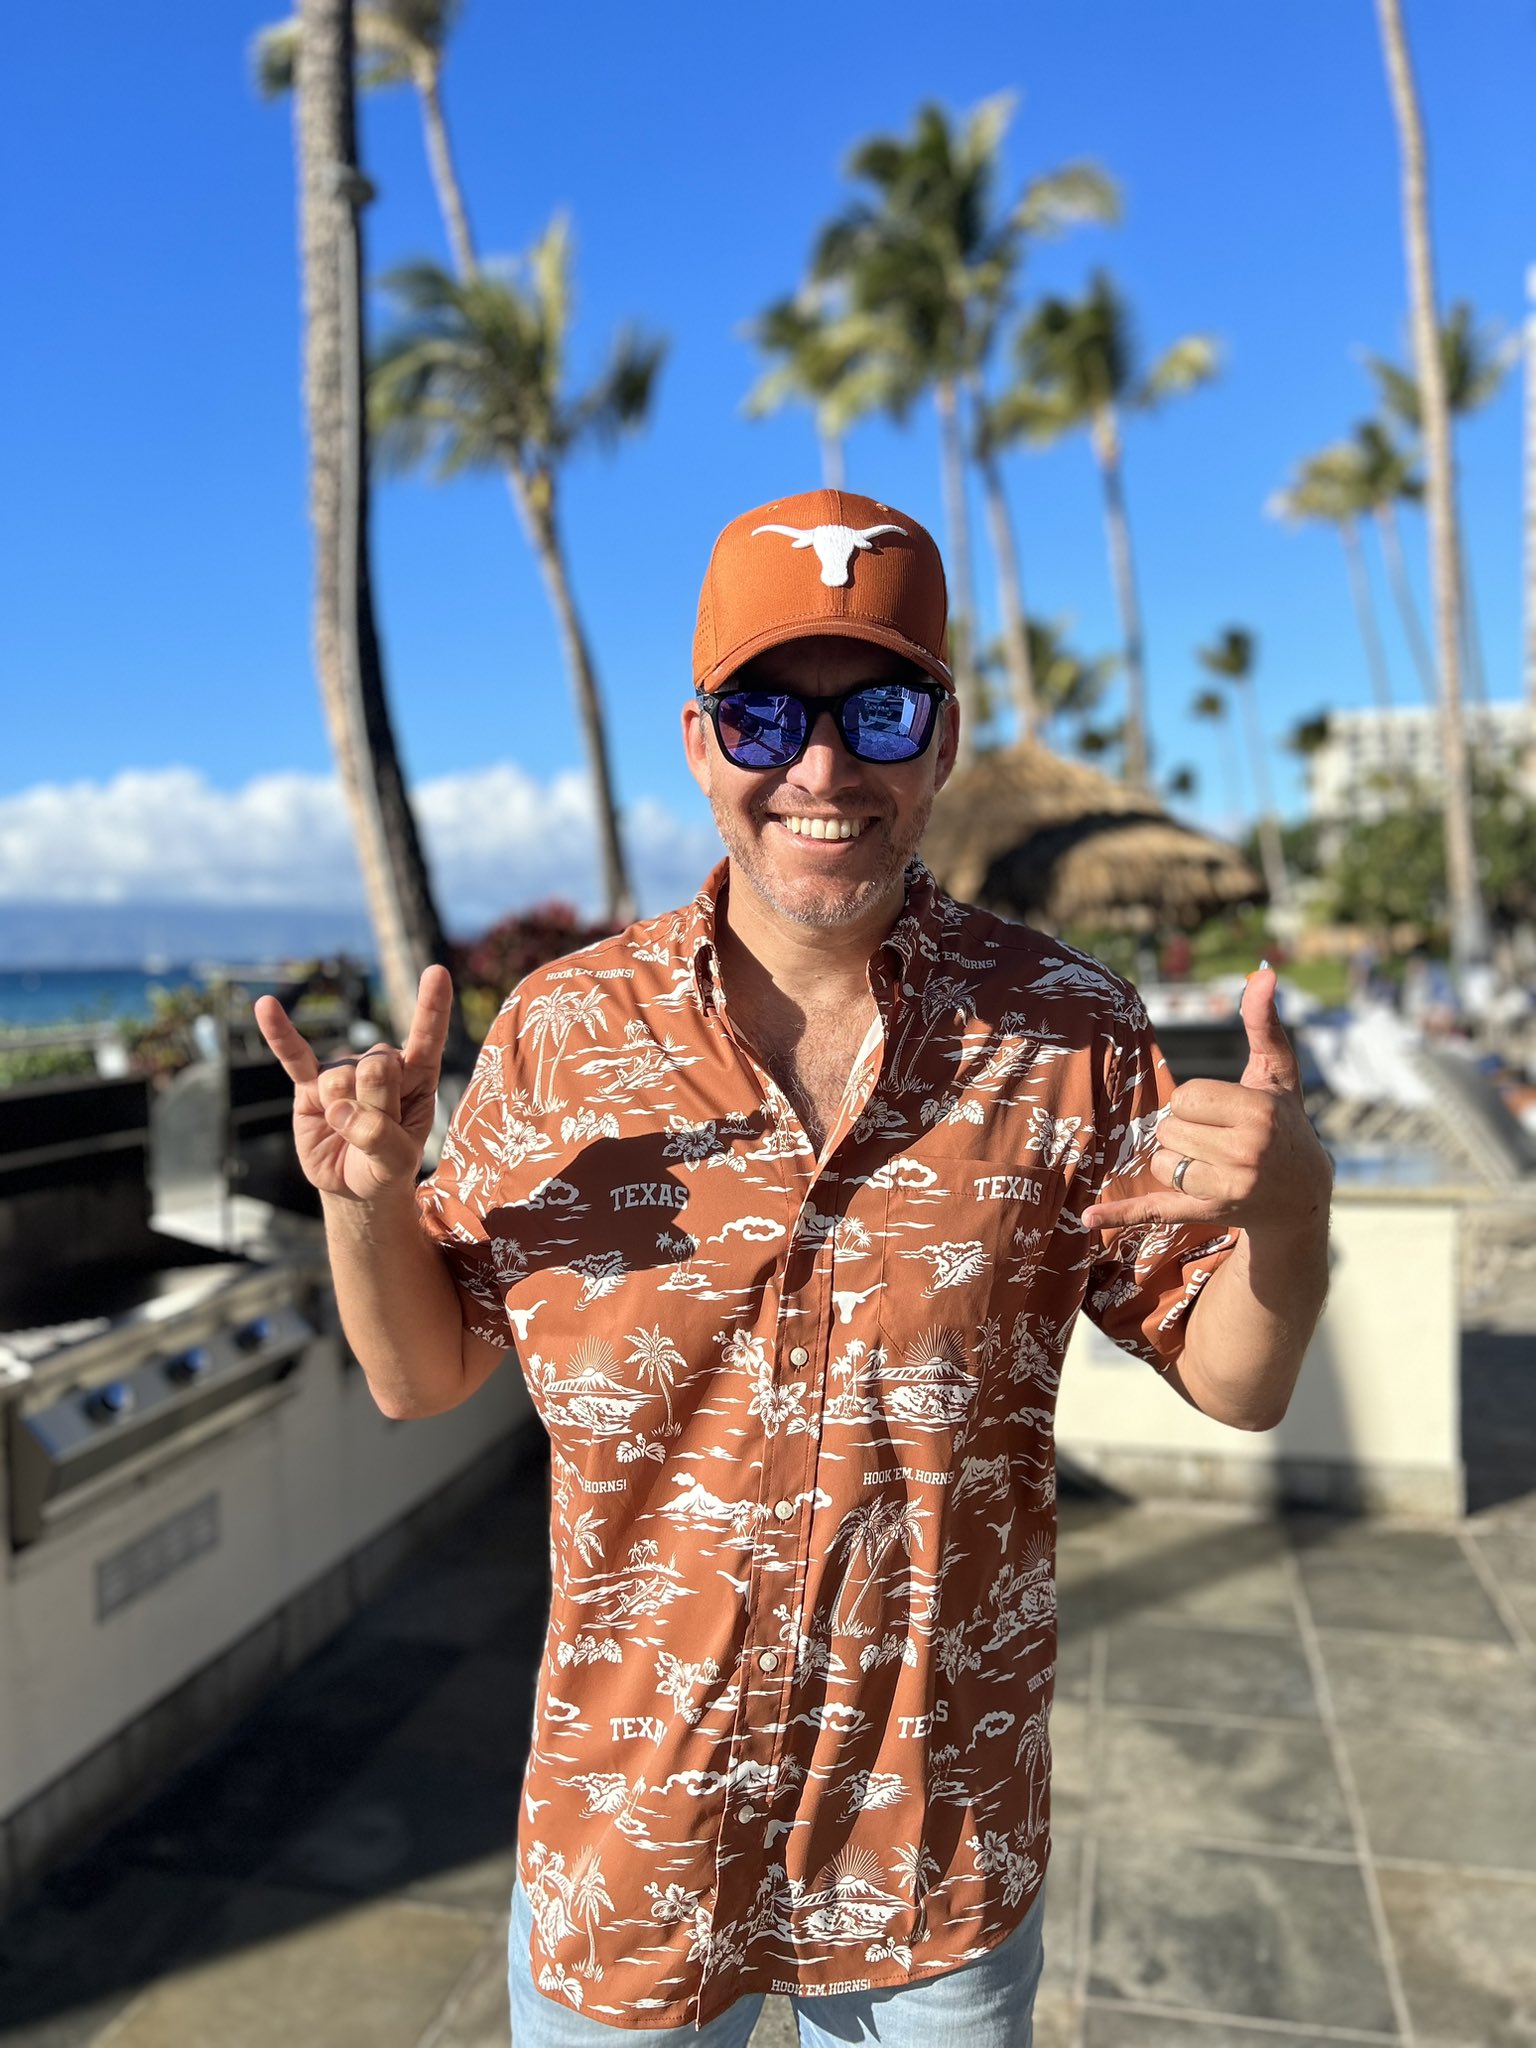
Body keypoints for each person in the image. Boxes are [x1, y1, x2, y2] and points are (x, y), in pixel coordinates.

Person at [255, 489, 1332, 2047]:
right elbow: (423, 1377)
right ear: (700, 742)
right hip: (632, 1862)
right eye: (766, 716)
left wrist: (1291, 1215)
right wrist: (366, 1202)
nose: (821, 770)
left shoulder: (1068, 1033)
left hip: (931, 1875)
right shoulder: (561, 1039)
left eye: (877, 711)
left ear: (942, 740)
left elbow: (1235, 1380)